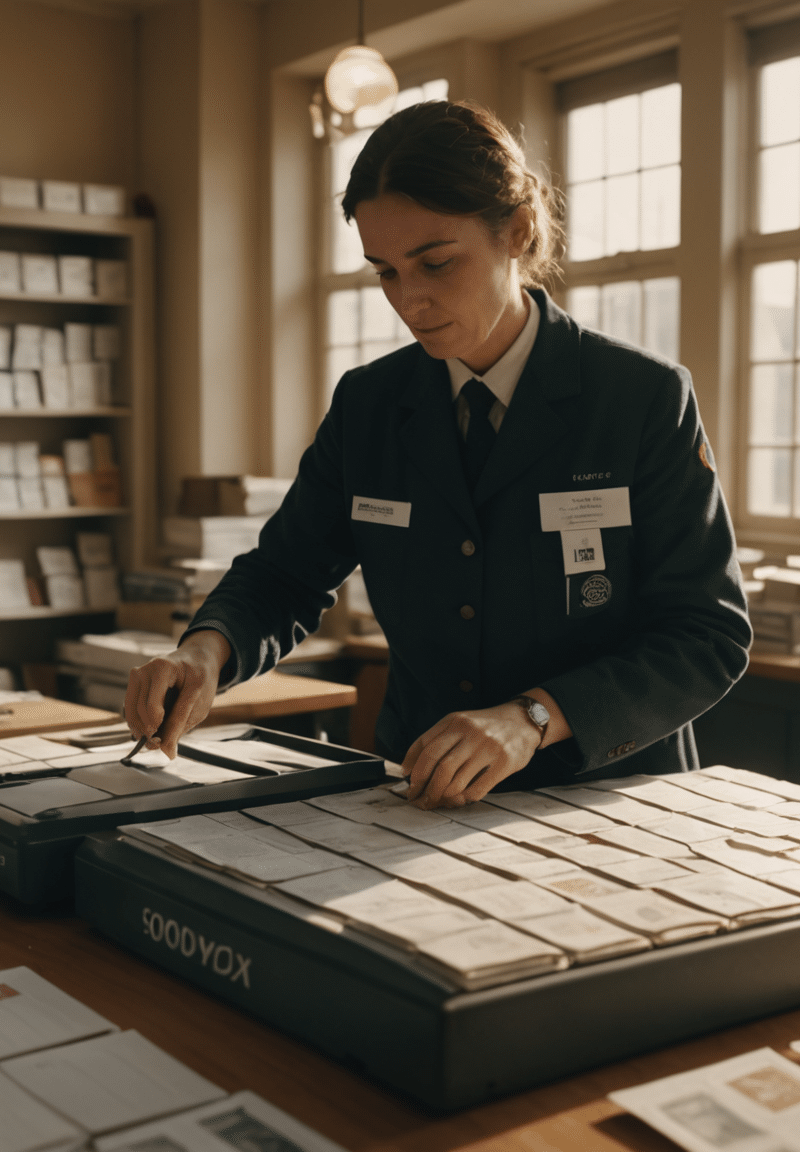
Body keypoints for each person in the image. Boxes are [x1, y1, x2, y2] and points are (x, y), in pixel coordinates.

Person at [125, 99, 750, 808]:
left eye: (436, 262)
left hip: (605, 796)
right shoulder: (370, 405)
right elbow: (285, 574)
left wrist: (533, 717)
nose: (410, 300)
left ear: (515, 231)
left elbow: (707, 635)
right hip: (421, 797)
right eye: (385, 272)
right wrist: (203, 651)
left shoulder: (640, 398)